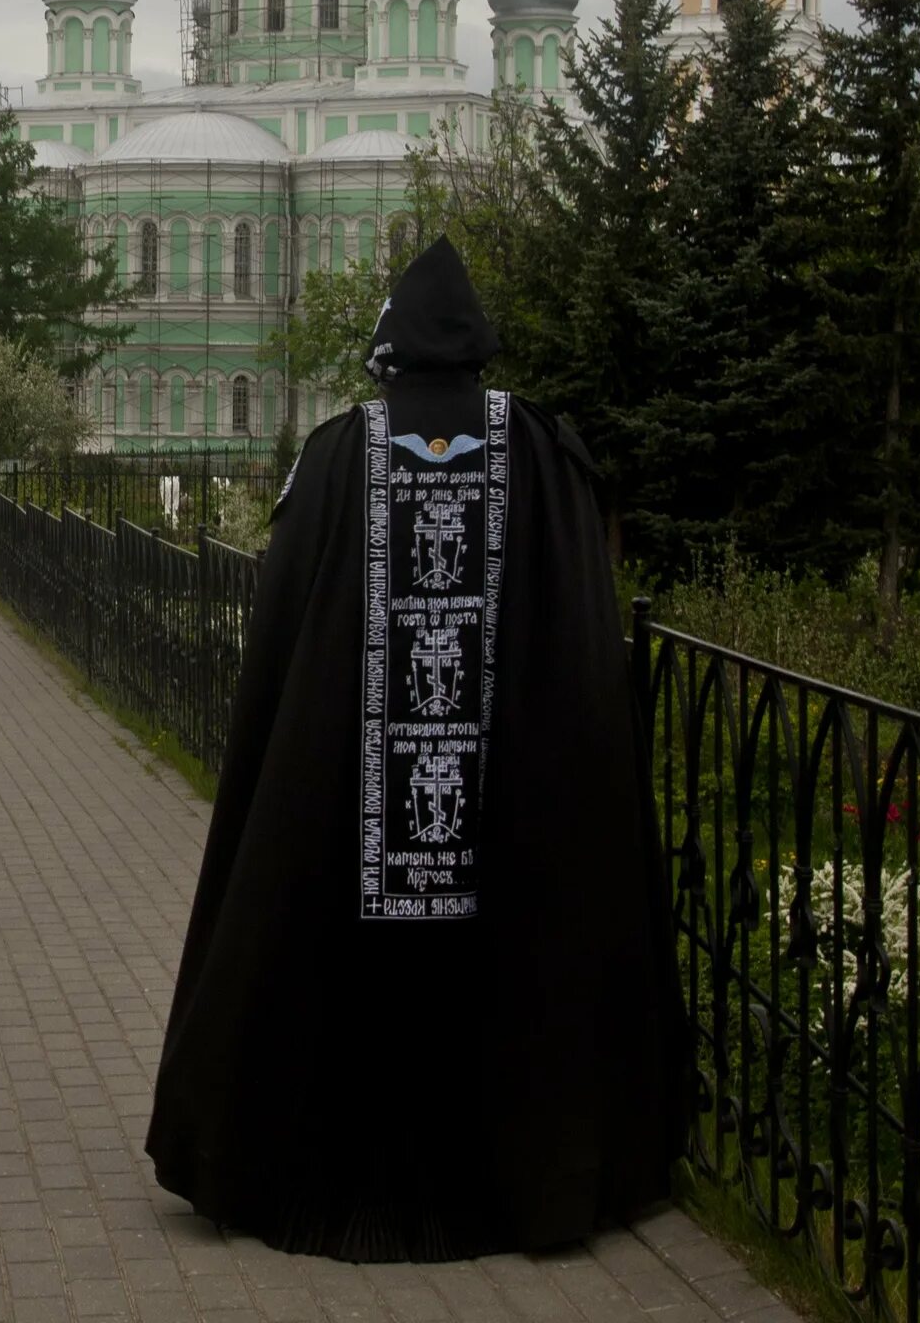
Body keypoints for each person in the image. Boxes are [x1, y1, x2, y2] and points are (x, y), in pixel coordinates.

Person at [146, 237, 680, 1261]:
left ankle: (302, 1158)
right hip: (509, 818)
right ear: (476, 349)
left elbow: (287, 633)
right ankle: (535, 1172)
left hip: (347, 814)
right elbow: (575, 628)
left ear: (390, 351)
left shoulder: (343, 451)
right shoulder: (537, 446)